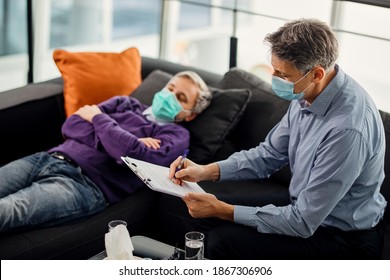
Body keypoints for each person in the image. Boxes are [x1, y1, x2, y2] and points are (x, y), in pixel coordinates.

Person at [169, 18, 387, 259]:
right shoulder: (308, 93)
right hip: (303, 206)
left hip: (343, 236)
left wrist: (224, 210)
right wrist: (204, 170)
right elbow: (268, 155)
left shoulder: (347, 131)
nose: (274, 78)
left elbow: (303, 222)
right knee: (196, 208)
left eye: (283, 74)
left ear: (316, 74)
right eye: (274, 69)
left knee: (223, 240)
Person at [0, 71, 211, 232]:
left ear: (190, 115)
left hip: (83, 185)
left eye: (181, 98)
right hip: (46, 158)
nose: (170, 96)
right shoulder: (125, 103)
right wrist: (120, 143)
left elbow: (134, 156)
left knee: (6, 211)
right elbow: (71, 125)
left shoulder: (177, 136)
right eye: (171, 88)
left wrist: (98, 119)